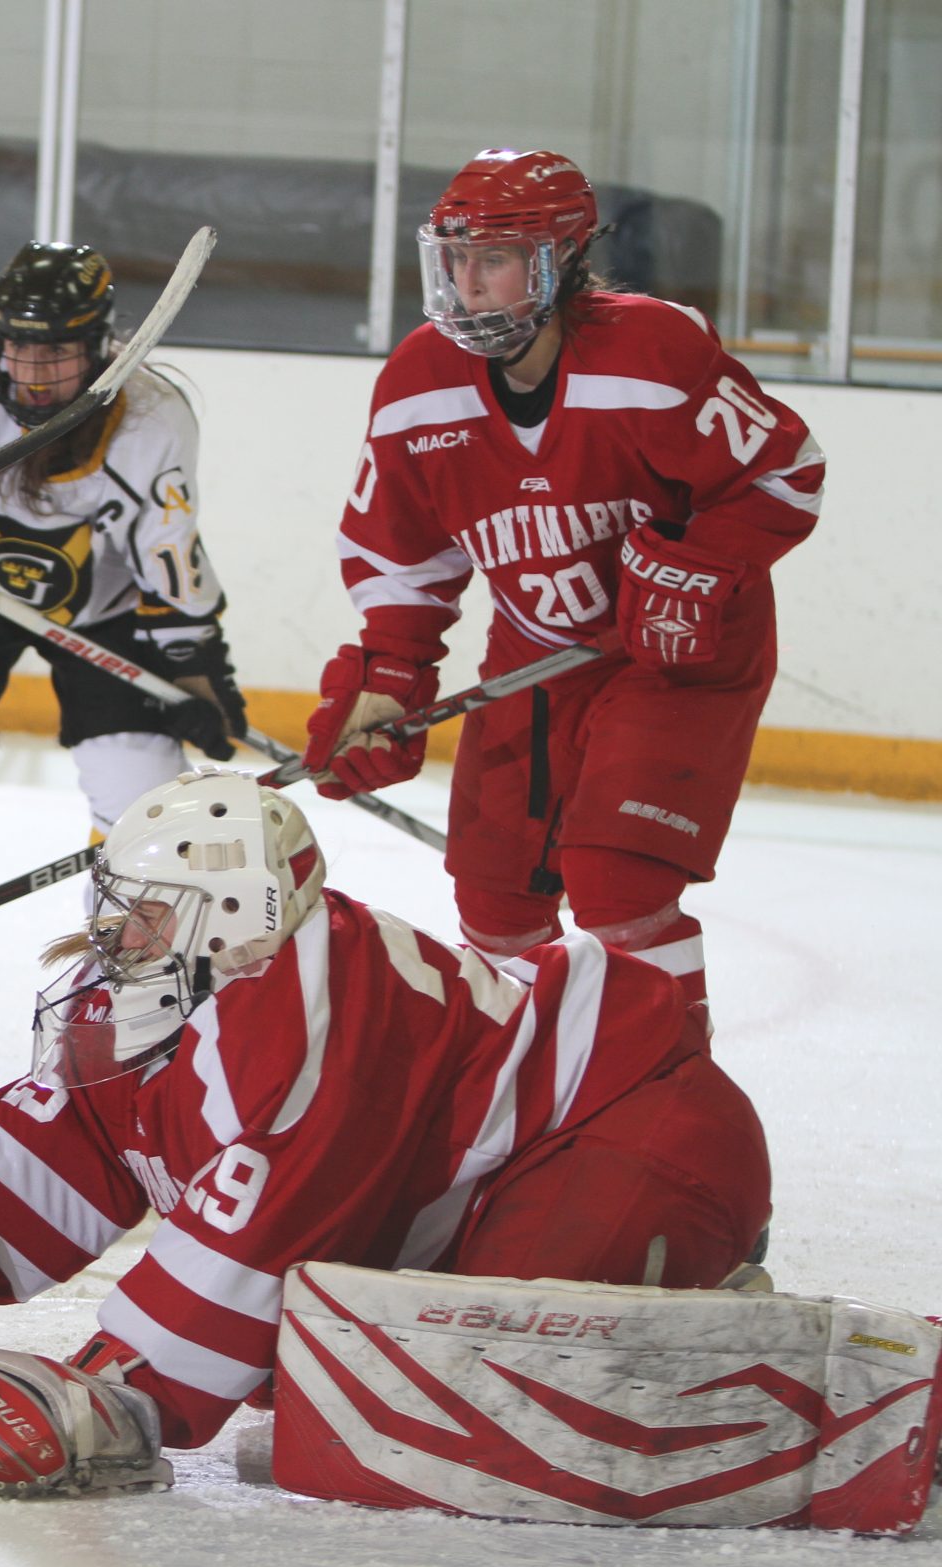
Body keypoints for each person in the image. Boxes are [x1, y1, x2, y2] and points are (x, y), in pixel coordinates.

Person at [0, 769, 794, 1508]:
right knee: (327, 1375)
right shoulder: (160, 994)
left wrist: (111, 1389)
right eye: (119, 904)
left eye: (149, 912)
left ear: (233, 914)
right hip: (509, 1185)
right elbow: (78, 1144)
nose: (114, 936)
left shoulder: (308, 1009)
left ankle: (702, 1335)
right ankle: (631, 1306)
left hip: (637, 1145)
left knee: (461, 1407)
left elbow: (255, 1235)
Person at [301, 150, 825, 1025]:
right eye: (456, 259)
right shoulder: (419, 384)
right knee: (495, 905)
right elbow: (401, 553)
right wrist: (390, 671)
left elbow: (784, 474)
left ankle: (661, 1105)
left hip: (674, 660)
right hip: (535, 653)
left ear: (562, 259)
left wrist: (698, 565)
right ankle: (516, 1117)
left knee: (619, 887)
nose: (468, 284)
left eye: (494, 259)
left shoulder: (651, 352)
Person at [0, 240, 244, 844]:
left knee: (144, 802)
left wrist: (196, 667)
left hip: (104, 613)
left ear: (100, 345)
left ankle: (131, 929)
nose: (34, 373)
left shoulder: (150, 415)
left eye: (57, 349)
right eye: (20, 346)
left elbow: (168, 552)